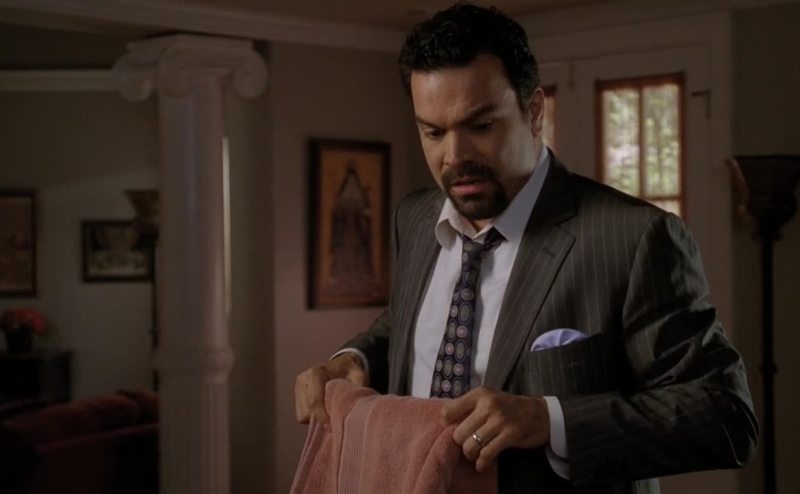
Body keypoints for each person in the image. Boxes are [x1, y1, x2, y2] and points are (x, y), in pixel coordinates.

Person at [294, 3, 757, 492]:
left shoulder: (636, 239)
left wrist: (549, 420)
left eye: (480, 126)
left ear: (534, 112)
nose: (454, 157)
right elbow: (405, 324)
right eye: (433, 132)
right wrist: (357, 358)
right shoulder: (413, 218)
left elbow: (726, 417)